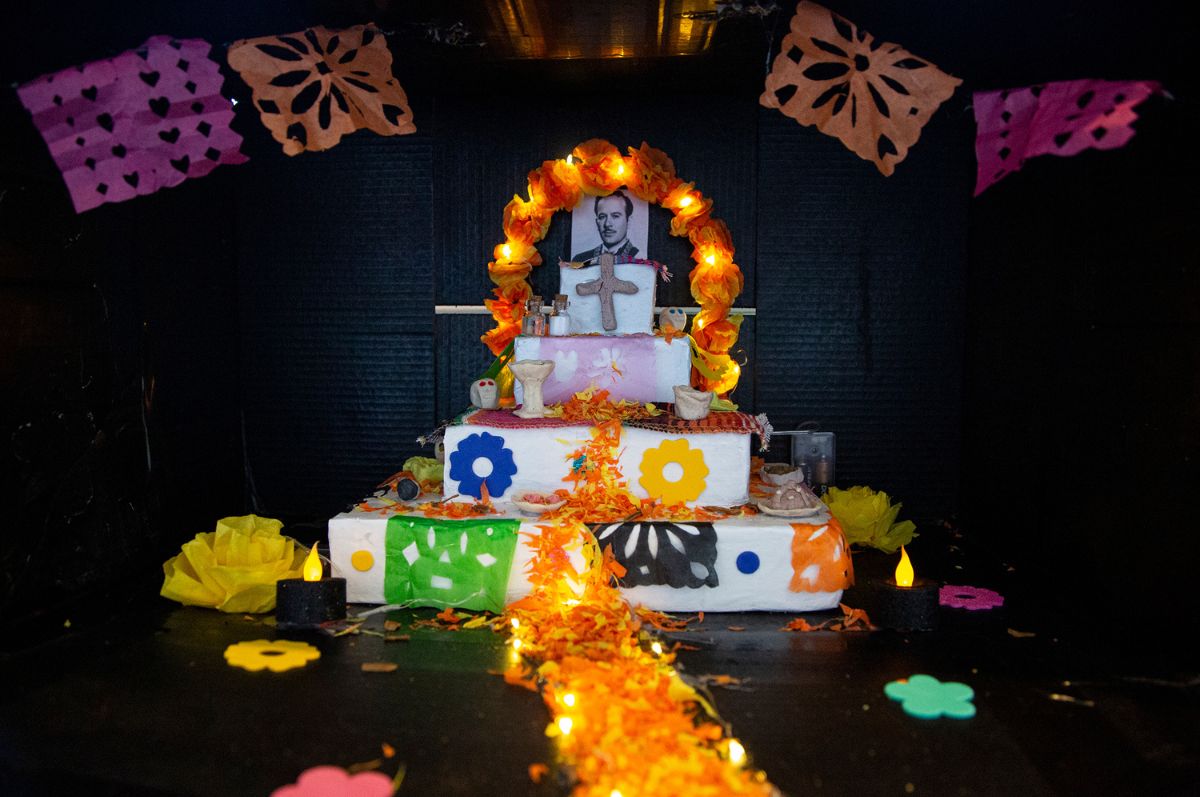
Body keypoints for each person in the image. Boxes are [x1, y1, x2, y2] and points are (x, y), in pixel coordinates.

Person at [571, 190, 639, 263]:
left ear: (629, 221)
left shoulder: (640, 258)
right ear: (597, 222)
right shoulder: (580, 260)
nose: (607, 224)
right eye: (602, 216)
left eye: (615, 216)